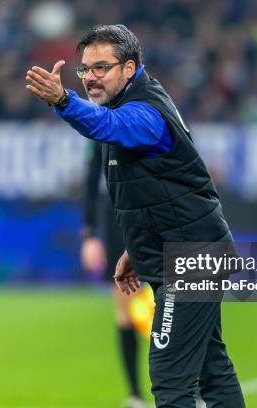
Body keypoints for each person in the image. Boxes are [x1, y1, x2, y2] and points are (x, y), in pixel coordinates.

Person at [25, 24, 245, 408]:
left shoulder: (144, 112)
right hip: (181, 251)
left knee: (169, 377)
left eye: (101, 68)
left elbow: (105, 125)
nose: (90, 78)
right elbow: (155, 192)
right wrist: (136, 249)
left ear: (129, 69)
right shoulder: (131, 104)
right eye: (85, 69)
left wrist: (63, 100)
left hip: (190, 259)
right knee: (212, 369)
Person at [81, 141, 149, 408]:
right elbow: (91, 174)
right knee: (127, 310)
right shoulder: (99, 125)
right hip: (118, 217)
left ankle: (194, 380)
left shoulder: (147, 109)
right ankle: (135, 394)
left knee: (167, 307)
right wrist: (89, 232)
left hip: (157, 211)